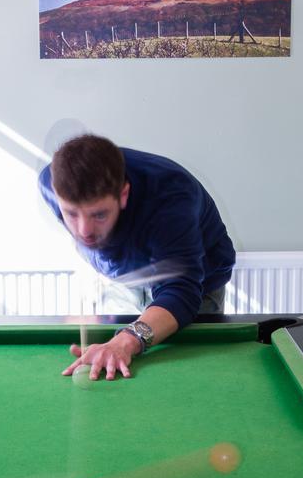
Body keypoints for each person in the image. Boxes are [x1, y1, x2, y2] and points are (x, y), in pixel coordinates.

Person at [38, 134, 235, 380]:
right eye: (71, 214)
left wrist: (126, 341)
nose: (83, 231)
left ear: (123, 194)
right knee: (113, 369)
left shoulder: (171, 199)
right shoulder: (49, 182)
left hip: (196, 283)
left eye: (98, 215)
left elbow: (180, 292)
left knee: (182, 379)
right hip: (124, 281)